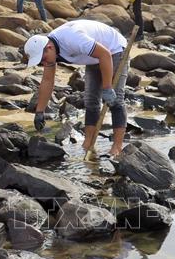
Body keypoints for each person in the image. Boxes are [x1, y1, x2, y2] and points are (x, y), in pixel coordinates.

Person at [24, 20, 129, 157]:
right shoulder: (50, 52)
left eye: (43, 59)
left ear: (49, 47)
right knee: (91, 100)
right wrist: (40, 111)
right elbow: (47, 80)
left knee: (115, 99)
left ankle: (117, 147)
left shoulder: (72, 38)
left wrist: (107, 87)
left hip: (114, 50)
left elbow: (105, 54)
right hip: (94, 56)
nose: (44, 63)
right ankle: (89, 143)